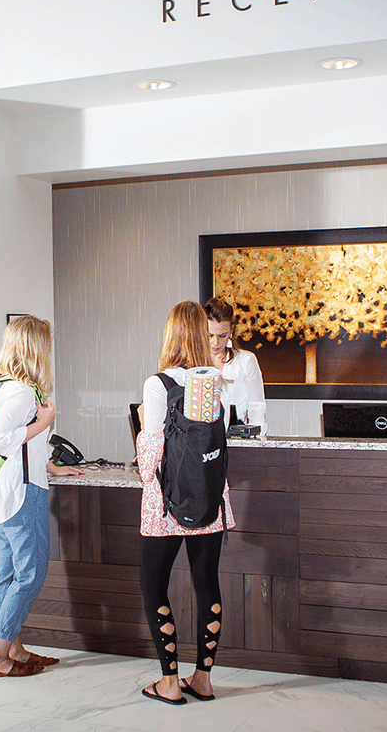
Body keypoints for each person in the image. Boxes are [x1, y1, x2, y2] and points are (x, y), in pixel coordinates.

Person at [135, 301, 236, 705]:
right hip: (210, 501)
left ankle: (170, 682)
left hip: (165, 505)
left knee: (153, 585)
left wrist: (144, 423)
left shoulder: (157, 384)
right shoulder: (215, 385)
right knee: (206, 582)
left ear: (170, 334)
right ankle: (204, 680)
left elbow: (151, 462)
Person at [0, 315, 84, 678]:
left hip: (1, 495)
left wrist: (53, 467)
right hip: (21, 496)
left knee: (7, 574)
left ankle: (14, 649)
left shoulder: (3, 386)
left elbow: (24, 446)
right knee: (32, 573)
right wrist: (44, 420)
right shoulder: (21, 391)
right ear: (36, 348)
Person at [204, 297, 267, 434]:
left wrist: (255, 443)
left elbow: (257, 412)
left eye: (222, 336)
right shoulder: (194, 363)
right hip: (202, 440)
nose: (215, 343)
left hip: (236, 437)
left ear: (231, 331)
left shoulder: (246, 361)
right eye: (210, 335)